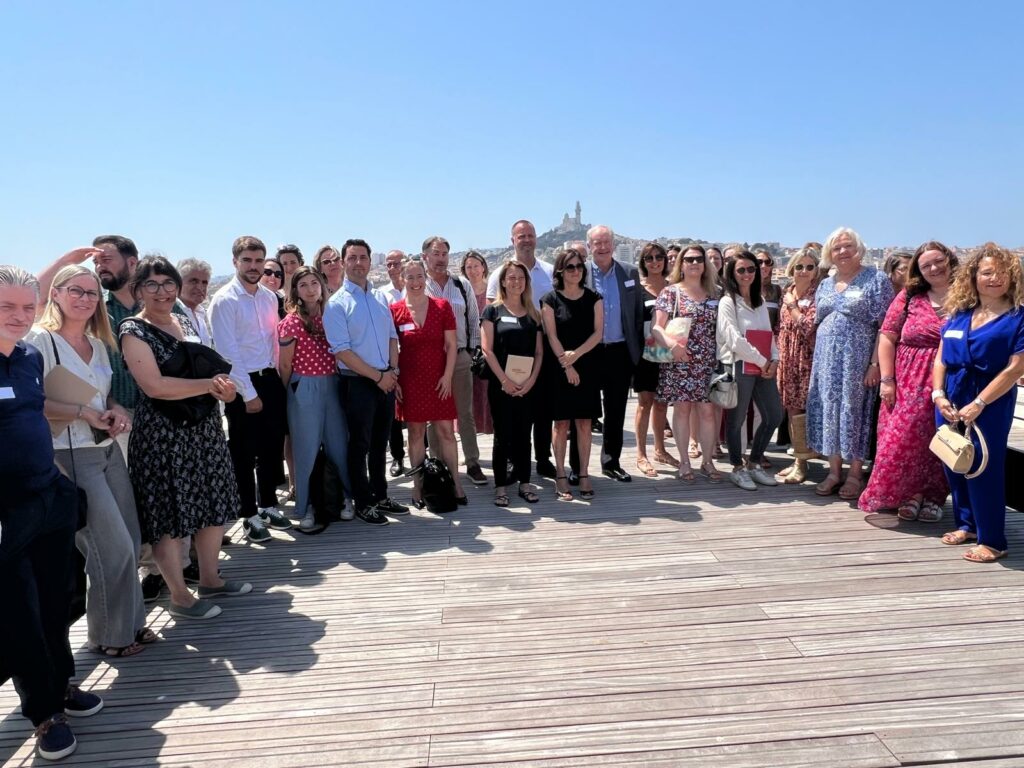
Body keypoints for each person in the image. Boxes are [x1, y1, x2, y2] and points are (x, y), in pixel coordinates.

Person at [1, 265, 106, 761]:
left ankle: (61, 684)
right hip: (7, 512)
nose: (19, 316)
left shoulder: (27, 356)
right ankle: (44, 714)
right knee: (19, 613)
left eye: (28, 306)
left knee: (58, 599)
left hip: (49, 496)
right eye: (6, 306)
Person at [26, 266, 152, 657]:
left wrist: (115, 409)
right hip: (68, 453)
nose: (84, 299)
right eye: (75, 290)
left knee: (130, 538)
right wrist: (84, 413)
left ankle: (129, 624)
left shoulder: (99, 343)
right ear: (56, 294)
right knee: (109, 546)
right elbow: (32, 401)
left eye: (92, 293)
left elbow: (103, 395)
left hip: (106, 448)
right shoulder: (40, 340)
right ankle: (113, 637)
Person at [119, 257, 252, 619]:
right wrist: (210, 386)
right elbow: (155, 386)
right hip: (163, 435)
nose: (161, 291)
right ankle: (179, 596)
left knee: (211, 504)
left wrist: (225, 390)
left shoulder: (186, 320)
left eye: (168, 283)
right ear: (138, 290)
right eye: (152, 284)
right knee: (170, 516)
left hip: (203, 428)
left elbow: (208, 370)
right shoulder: (133, 330)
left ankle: (210, 579)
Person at [933, 243, 1024, 562]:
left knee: (983, 465)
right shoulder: (960, 314)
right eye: (987, 272)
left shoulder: (1018, 317)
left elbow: (1016, 368)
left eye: (1002, 273)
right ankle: (968, 525)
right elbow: (941, 357)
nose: (994, 278)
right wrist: (938, 394)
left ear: (1013, 278)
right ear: (973, 276)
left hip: (990, 398)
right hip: (950, 396)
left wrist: (980, 403)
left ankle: (993, 540)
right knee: (953, 459)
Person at [858, 242, 956, 518]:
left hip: (951, 378)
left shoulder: (967, 295)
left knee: (942, 436)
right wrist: (887, 379)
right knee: (902, 439)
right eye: (926, 265)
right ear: (918, 270)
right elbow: (887, 336)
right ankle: (909, 493)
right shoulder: (909, 296)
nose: (934, 268)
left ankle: (934, 496)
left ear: (950, 260)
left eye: (938, 261)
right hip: (908, 379)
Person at [208, 236, 290, 543]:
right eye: (247, 261)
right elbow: (228, 353)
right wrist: (249, 394)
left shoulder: (269, 298)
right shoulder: (224, 301)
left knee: (271, 447)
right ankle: (249, 515)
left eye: (258, 261)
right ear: (235, 262)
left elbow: (273, 341)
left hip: (270, 379)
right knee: (244, 453)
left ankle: (267, 505)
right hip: (242, 385)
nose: (254, 267)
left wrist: (277, 380)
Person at [323, 238, 408, 525]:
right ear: (344, 262)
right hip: (357, 382)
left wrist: (392, 372)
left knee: (381, 443)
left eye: (363, 257)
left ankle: (381, 495)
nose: (358, 262)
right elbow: (342, 351)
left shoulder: (380, 297)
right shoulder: (336, 304)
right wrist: (379, 376)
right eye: (352, 257)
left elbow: (392, 336)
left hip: (385, 378)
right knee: (359, 445)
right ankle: (363, 501)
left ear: (370, 262)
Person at [807, 227, 895, 499]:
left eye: (848, 246)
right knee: (828, 410)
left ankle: (855, 474)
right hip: (826, 360)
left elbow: (885, 326)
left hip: (857, 360)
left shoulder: (876, 279)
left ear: (859, 250)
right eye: (837, 248)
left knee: (855, 412)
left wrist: (875, 364)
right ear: (829, 254)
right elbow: (818, 320)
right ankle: (834, 471)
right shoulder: (825, 283)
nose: (843, 252)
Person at [278, 266, 352, 531]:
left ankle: (346, 497)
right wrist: (291, 393)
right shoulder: (291, 322)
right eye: (303, 285)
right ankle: (306, 505)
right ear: (295, 291)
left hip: (332, 383)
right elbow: (285, 365)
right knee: (305, 449)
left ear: (322, 286)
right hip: (304, 386)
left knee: (339, 445)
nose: (310, 289)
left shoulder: (332, 316)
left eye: (314, 283)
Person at [391, 258, 466, 508]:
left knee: (446, 432)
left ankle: (456, 483)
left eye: (419, 276)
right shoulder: (395, 311)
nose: (415, 282)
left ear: (426, 278)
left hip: (439, 379)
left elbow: (452, 345)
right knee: (415, 434)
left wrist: (447, 376)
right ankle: (418, 485)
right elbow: (391, 348)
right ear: (402, 280)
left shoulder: (442, 306)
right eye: (410, 277)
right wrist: (395, 378)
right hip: (410, 381)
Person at [487, 220, 555, 477]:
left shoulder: (549, 271)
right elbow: (492, 312)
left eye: (530, 235)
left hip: (541, 344)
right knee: (512, 411)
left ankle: (543, 458)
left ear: (536, 238)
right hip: (508, 350)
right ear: (512, 240)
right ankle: (513, 460)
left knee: (542, 407)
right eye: (521, 236)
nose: (526, 240)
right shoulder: (498, 274)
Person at [653, 245, 722, 484]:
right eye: (689, 259)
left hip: (708, 361)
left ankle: (707, 461)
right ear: (681, 264)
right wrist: (673, 346)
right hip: (679, 360)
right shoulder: (670, 292)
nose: (694, 263)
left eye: (699, 259)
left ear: (705, 264)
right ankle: (684, 461)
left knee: (707, 412)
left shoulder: (716, 293)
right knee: (682, 409)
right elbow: (657, 328)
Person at [583, 225, 645, 482]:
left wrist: (636, 351)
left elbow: (637, 312)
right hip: (588, 351)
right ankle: (578, 466)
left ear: (613, 244)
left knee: (616, 410)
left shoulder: (629, 272)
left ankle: (611, 462)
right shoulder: (579, 272)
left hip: (619, 351)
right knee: (583, 411)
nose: (602, 247)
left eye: (606, 242)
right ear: (589, 247)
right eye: (597, 243)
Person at [422, 236, 486, 486]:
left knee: (465, 413)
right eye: (436, 254)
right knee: (432, 415)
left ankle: (472, 462)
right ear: (425, 256)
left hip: (459, 356)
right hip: (430, 359)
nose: (441, 259)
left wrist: (472, 351)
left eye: (444, 254)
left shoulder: (461, 285)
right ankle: (438, 463)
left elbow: (473, 320)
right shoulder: (419, 284)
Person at [717, 251, 784, 491]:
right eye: (741, 270)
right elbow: (734, 339)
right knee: (736, 419)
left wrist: (774, 359)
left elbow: (769, 334)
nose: (747, 274)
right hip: (740, 365)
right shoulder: (728, 302)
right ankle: (737, 467)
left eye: (751, 269)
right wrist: (762, 360)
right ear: (732, 274)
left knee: (774, 415)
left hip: (762, 365)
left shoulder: (760, 301)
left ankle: (754, 462)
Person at [541, 248, 602, 500]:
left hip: (587, 365)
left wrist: (575, 355)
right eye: (570, 267)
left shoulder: (594, 298)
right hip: (559, 367)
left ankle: (584, 473)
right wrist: (567, 365)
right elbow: (551, 335)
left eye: (579, 266)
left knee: (585, 423)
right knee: (561, 423)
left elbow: (598, 333)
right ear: (560, 271)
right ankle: (560, 474)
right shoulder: (550, 299)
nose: (576, 271)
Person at [481, 260, 544, 507]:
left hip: (528, 386)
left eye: (521, 277)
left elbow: (539, 353)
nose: (516, 282)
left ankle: (525, 483)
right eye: (512, 277)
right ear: (503, 282)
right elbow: (487, 350)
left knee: (524, 436)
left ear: (526, 282)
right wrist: (505, 380)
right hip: (501, 385)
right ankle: (500, 487)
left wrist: (531, 381)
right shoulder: (492, 311)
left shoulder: (533, 314)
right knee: (502, 436)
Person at [775, 246, 821, 483]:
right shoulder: (787, 291)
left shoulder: (817, 295)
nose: (804, 271)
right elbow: (780, 327)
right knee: (792, 412)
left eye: (809, 267)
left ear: (816, 270)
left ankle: (805, 462)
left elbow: (808, 326)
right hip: (787, 358)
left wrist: (792, 306)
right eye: (799, 266)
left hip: (807, 359)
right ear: (791, 268)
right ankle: (798, 460)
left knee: (805, 412)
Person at [633, 242, 677, 477]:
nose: (655, 261)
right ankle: (641, 454)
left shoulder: (674, 288)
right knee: (645, 402)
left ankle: (660, 450)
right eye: (649, 258)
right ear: (643, 262)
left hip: (668, 352)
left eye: (659, 257)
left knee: (662, 403)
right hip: (646, 353)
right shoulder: (637, 290)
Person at [461, 250, 494, 435]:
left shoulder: (493, 291)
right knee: (468, 396)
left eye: (476, 266)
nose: (473, 270)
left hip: (489, 351)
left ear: (483, 267)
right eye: (469, 267)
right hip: (468, 351)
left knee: (489, 395)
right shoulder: (461, 292)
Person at [382, 250, 408, 476]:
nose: (392, 268)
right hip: (391, 357)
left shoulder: (417, 287)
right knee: (393, 412)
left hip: (415, 356)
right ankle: (398, 456)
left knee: (419, 405)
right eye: (389, 264)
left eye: (396, 263)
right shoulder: (381, 294)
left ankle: (423, 453)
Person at [176, 258, 214, 347]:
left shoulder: (201, 314)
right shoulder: (171, 313)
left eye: (204, 282)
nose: (200, 287)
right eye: (194, 281)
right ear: (179, 283)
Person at [756, 250, 782, 331]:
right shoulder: (744, 290)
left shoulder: (777, 290)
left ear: (771, 267)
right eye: (759, 262)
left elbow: (780, 319)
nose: (763, 266)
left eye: (768, 262)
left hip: (770, 337)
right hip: (746, 337)